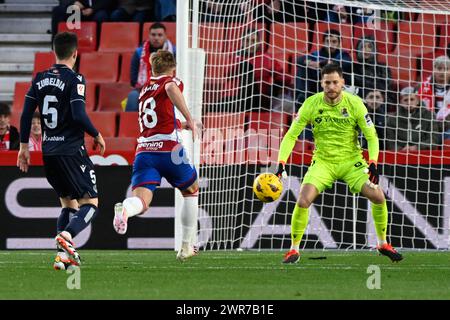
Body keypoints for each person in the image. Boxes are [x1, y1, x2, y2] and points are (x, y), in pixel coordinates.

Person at [276, 63, 403, 264]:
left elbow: (372, 136)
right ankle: (293, 250)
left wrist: (373, 163)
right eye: (327, 83)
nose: (331, 87)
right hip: (323, 162)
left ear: (343, 83)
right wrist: (281, 162)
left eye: (335, 82)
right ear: (321, 83)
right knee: (302, 200)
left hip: (351, 161)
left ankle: (382, 243)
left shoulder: (355, 104)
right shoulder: (310, 104)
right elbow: (291, 135)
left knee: (378, 196)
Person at [17, 32, 106, 270]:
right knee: (91, 203)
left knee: (68, 205)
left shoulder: (39, 78)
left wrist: (24, 146)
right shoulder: (75, 79)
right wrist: (96, 134)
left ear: (53, 52)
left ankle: (62, 257)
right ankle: (66, 237)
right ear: (76, 54)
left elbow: (26, 114)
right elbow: (78, 115)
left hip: (49, 152)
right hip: (70, 150)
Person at [113, 50, 201, 261]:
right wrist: (189, 118)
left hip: (144, 151)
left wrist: (184, 126)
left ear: (152, 68)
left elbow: (160, 118)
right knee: (191, 190)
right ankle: (186, 246)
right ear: (173, 68)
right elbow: (171, 88)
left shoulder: (144, 90)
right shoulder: (170, 82)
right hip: (170, 150)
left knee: (141, 202)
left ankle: (124, 209)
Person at [125, 22, 176, 112]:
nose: (156, 38)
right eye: (153, 35)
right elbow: (133, 79)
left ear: (165, 36)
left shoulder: (174, 52)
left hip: (167, 88)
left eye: (160, 35)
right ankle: (131, 125)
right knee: (133, 96)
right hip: (143, 88)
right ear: (149, 35)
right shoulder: (139, 52)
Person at [296, 29, 352, 102]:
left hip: (334, 87)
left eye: (334, 42)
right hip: (315, 86)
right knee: (302, 68)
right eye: (327, 41)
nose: (330, 45)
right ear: (323, 43)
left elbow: (345, 63)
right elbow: (299, 60)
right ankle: (301, 98)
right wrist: (311, 63)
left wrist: (319, 64)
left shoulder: (343, 55)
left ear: (339, 44)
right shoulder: (316, 54)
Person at [386, 87, 441, 151]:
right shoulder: (392, 119)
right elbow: (390, 143)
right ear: (400, 102)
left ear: (417, 101)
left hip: (423, 154)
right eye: (405, 100)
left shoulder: (429, 116)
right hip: (400, 155)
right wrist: (401, 149)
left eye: (412, 99)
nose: (409, 102)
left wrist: (417, 147)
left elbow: (433, 140)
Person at [354, 36, 392, 100]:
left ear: (374, 50)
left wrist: (360, 81)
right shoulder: (352, 67)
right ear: (358, 50)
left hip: (379, 102)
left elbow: (384, 87)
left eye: (369, 47)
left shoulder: (383, 68)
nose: (366, 50)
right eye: (363, 47)